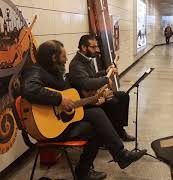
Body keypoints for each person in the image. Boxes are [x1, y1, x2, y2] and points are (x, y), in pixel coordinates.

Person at [21, 40, 147, 180]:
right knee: (97, 127)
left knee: (97, 113)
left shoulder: (54, 72)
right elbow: (29, 89)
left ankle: (114, 158)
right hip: (49, 129)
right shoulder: (34, 71)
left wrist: (94, 99)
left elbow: (72, 99)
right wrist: (59, 99)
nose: (66, 59)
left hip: (61, 121)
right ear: (53, 57)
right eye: (63, 56)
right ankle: (89, 169)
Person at [68, 35, 135, 142]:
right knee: (113, 101)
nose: (97, 50)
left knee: (123, 96)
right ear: (84, 47)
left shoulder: (85, 60)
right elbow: (86, 84)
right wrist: (105, 79)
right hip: (87, 99)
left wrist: (105, 71)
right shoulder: (76, 65)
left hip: (92, 94)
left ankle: (119, 129)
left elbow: (92, 76)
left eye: (97, 46)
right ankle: (113, 134)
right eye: (93, 47)